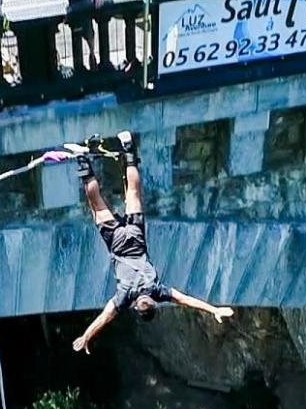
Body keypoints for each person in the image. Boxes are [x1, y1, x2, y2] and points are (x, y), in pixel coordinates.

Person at [70, 133, 234, 353]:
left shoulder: (158, 291)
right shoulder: (125, 297)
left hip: (136, 236)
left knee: (134, 193)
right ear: (137, 308)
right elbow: (105, 317)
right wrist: (86, 336)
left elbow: (186, 300)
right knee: (97, 205)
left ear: (153, 305)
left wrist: (214, 310)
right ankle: (82, 159)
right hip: (117, 242)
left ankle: (128, 147)